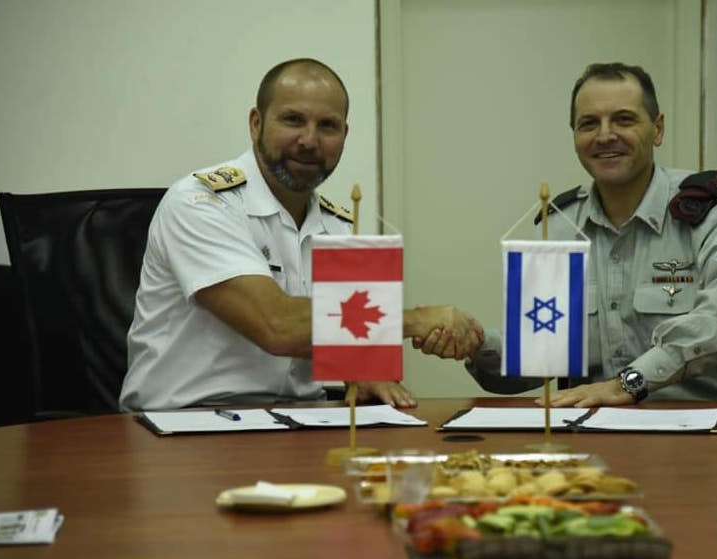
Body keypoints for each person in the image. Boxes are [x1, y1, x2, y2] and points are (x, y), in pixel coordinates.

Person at [120, 58, 482, 412]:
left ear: (344, 136)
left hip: (302, 420)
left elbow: (351, 343)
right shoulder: (200, 203)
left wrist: (363, 371)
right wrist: (417, 320)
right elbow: (277, 326)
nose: (309, 141)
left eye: (328, 126)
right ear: (256, 123)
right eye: (293, 120)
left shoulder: (341, 228)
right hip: (184, 425)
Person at [420, 62, 717, 406]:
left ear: (657, 129)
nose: (605, 135)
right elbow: (542, 354)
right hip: (604, 431)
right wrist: (477, 343)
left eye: (623, 119)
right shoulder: (561, 225)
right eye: (589, 123)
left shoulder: (716, 209)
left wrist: (629, 383)